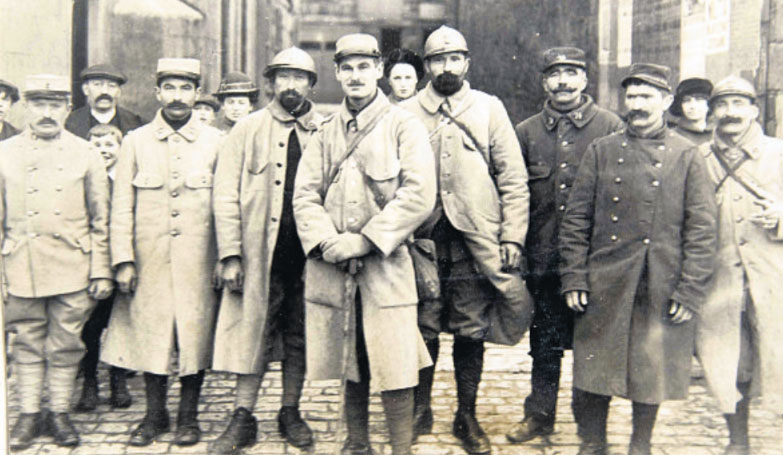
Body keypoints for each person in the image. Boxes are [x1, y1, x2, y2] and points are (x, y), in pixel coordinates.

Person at [558, 63, 718, 455]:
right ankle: (593, 441)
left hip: (659, 278)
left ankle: (640, 443)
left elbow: (702, 229)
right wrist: (575, 278)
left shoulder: (686, 155)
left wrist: (690, 289)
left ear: (666, 101)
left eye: (647, 96)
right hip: (606, 276)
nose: (638, 105)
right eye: (631, 96)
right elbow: (576, 219)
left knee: (652, 367)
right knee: (595, 364)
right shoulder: (603, 150)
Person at [293, 33, 436, 455]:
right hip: (334, 265)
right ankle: (357, 442)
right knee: (348, 353)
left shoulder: (403, 125)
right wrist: (327, 242)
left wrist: (365, 241)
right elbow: (304, 195)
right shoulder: (323, 131)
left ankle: (400, 447)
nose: (355, 76)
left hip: (387, 264)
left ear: (378, 71)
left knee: (396, 359)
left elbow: (418, 195)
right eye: (347, 68)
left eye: (364, 67)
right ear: (337, 73)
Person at [400, 25, 533, 455]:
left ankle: (467, 413)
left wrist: (512, 234)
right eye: (437, 60)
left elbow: (513, 178)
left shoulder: (488, 109)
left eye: (454, 59)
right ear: (425, 66)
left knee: (470, 327)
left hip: (473, 240)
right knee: (423, 324)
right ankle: (421, 408)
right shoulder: (406, 112)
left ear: (467, 63)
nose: (446, 68)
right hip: (422, 240)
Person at [100, 58, 223, 447]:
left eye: (185, 88)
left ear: (197, 93)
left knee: (194, 335)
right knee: (150, 336)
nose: (177, 96)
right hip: (148, 260)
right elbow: (120, 206)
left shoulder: (216, 141)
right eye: (169, 88)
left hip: (198, 261)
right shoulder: (135, 141)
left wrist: (226, 256)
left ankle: (189, 417)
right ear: (157, 93)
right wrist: (123, 259)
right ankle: (154, 416)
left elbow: (226, 205)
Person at [506, 47, 624, 444]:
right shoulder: (525, 132)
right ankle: (539, 416)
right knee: (544, 346)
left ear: (585, 80)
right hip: (544, 261)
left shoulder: (610, 127)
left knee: (593, 348)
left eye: (572, 73)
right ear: (544, 82)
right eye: (555, 74)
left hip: (596, 264)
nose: (563, 81)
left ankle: (592, 429)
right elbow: (514, 195)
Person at [208, 46, 322, 454]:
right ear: (271, 83)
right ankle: (242, 416)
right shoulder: (247, 129)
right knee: (252, 333)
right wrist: (231, 254)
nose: (290, 85)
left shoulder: (324, 131)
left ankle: (290, 410)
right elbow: (224, 195)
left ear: (311, 84)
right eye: (282, 77)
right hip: (260, 256)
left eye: (299, 77)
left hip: (308, 258)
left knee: (299, 335)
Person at [2, 74, 113, 450]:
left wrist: (101, 270)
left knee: (66, 344)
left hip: (73, 268)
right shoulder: (5, 153)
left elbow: (102, 219)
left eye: (55, 105)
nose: (47, 113)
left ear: (67, 109)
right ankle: (29, 414)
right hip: (21, 266)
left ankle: (60, 413)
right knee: (27, 343)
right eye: (39, 104)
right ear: (26, 107)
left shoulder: (86, 153)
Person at [696, 76, 783, 455]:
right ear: (712, 112)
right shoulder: (696, 159)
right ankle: (738, 440)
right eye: (723, 105)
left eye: (739, 104)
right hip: (720, 278)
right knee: (729, 361)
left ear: (754, 110)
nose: (730, 113)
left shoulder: (779, 154)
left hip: (772, 276)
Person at [74, 123, 130, 412]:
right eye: (96, 145)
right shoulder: (81, 179)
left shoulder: (125, 179)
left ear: (120, 149)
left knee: (121, 323)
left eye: (109, 145)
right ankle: (89, 381)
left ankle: (118, 379)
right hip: (93, 263)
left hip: (121, 260)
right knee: (91, 326)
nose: (103, 151)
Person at [65, 63, 145, 138]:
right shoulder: (69, 123)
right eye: (97, 84)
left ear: (119, 92)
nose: (104, 91)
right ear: (86, 89)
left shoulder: (137, 124)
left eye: (111, 86)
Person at [669, 77, 713, 145]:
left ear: (709, 103)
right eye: (686, 100)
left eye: (699, 100)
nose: (692, 106)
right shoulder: (671, 136)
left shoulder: (719, 134)